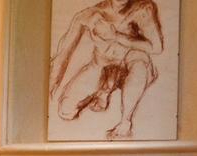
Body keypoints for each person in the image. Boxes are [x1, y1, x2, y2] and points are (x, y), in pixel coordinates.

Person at [50, 0, 167, 140]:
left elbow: (156, 47)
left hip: (131, 64)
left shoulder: (143, 8)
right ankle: (105, 88)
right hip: (102, 66)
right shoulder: (89, 15)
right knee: (66, 111)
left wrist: (116, 36)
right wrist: (51, 84)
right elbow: (63, 53)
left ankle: (125, 122)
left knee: (139, 64)